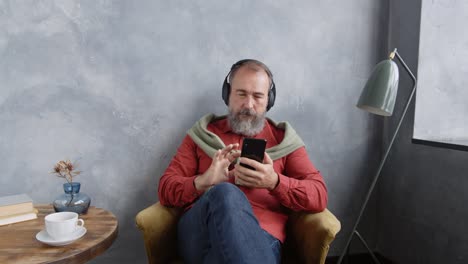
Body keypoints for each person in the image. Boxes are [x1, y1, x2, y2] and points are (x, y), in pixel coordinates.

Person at [158, 59, 328, 264]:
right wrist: (203, 182)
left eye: (257, 96)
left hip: (261, 239)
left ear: (269, 100)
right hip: (200, 236)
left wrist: (274, 182)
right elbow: (165, 190)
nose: (248, 105)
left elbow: (319, 194)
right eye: (241, 94)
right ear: (227, 95)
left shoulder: (284, 140)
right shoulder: (202, 135)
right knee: (225, 192)